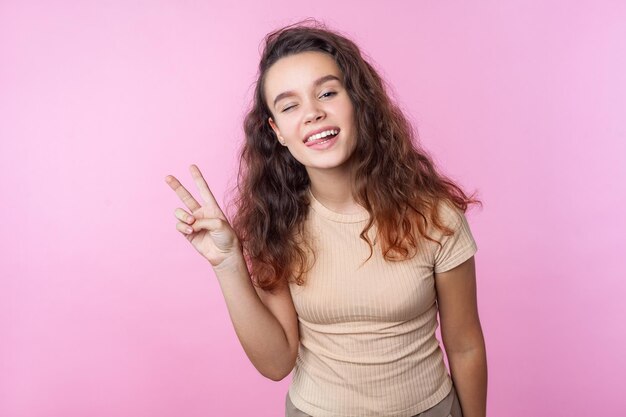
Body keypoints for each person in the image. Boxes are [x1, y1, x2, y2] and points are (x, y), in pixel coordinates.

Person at [165, 20, 487, 417]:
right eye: (290, 105)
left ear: (358, 101)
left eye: (328, 93)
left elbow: (466, 343)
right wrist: (229, 263)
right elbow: (275, 363)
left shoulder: (435, 216)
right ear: (277, 131)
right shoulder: (276, 225)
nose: (313, 113)